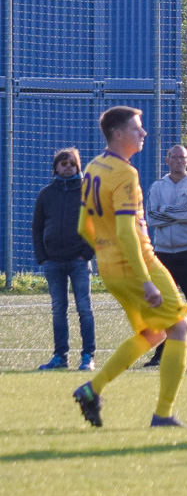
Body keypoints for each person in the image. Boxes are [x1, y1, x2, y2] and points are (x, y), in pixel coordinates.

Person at [70, 107, 187, 429]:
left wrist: (105, 253)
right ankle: (163, 414)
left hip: (110, 267)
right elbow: (126, 231)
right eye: (137, 128)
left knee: (152, 333)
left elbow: (83, 225)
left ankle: (91, 389)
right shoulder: (125, 173)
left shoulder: (93, 167)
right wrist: (146, 280)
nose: (144, 133)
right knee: (180, 329)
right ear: (118, 134)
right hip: (138, 264)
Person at [144, 144, 187, 368]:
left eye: (183, 157)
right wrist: (177, 213)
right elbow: (151, 218)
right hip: (163, 253)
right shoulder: (157, 186)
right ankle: (159, 354)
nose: (179, 161)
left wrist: (165, 210)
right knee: (163, 305)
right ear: (167, 160)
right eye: (175, 157)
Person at [33, 148, 96, 371]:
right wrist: (43, 257)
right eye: (63, 163)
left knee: (84, 308)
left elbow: (96, 224)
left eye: (72, 163)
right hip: (53, 262)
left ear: (78, 166)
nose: (68, 167)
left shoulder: (87, 192)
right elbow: (37, 228)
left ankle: (88, 356)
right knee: (59, 309)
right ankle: (60, 357)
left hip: (79, 261)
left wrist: (86, 253)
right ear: (56, 167)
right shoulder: (46, 194)